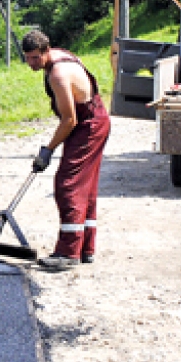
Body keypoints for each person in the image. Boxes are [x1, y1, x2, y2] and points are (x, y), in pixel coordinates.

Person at [22, 30, 111, 271]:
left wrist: (47, 151)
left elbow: (69, 120)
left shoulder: (58, 74)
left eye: (35, 58)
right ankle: (86, 248)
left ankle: (68, 252)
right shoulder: (60, 57)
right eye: (27, 58)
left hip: (88, 125)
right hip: (94, 120)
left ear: (46, 51)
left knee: (68, 184)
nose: (31, 64)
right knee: (86, 186)